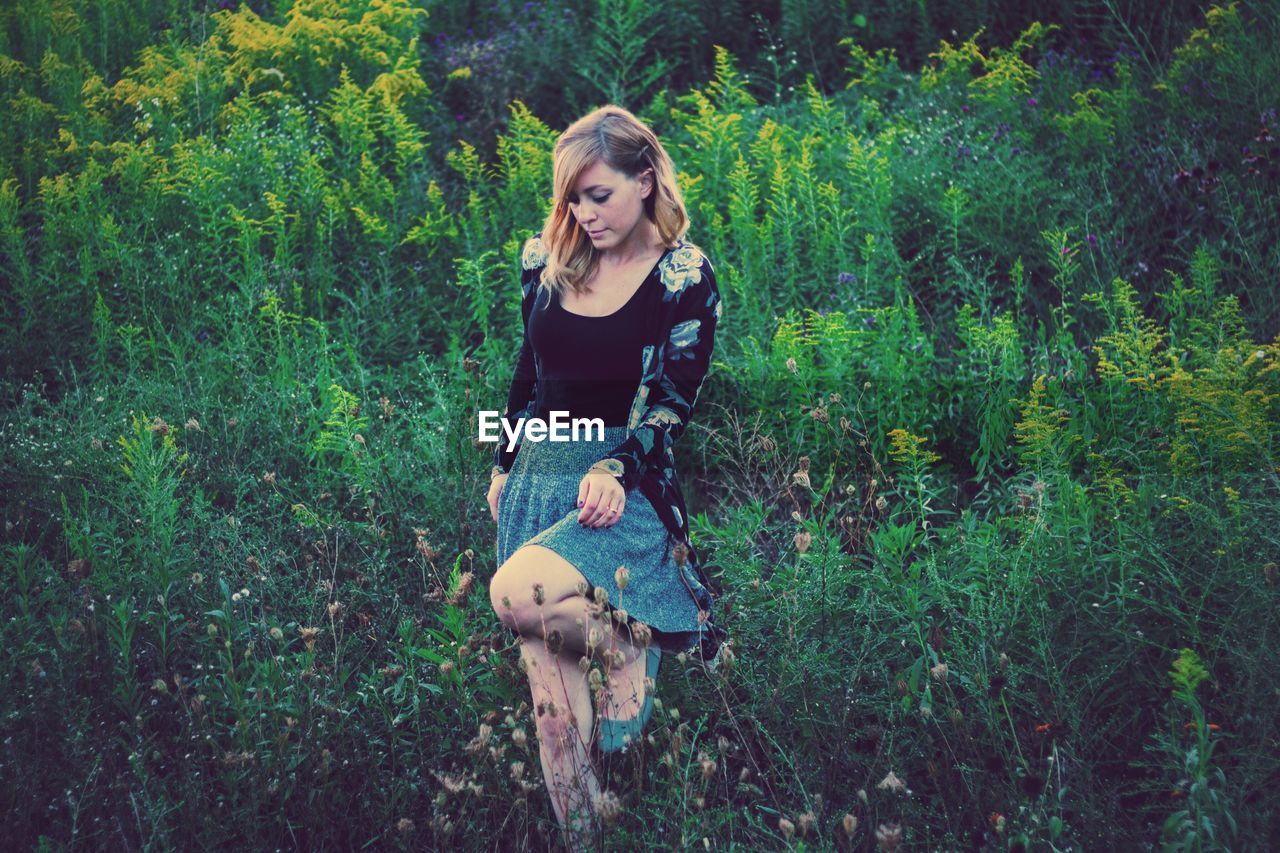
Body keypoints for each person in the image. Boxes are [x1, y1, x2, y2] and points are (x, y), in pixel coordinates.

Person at [484, 104, 724, 849]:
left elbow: (673, 401)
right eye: (572, 198)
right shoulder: (545, 259)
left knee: (516, 594)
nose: (584, 214)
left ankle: (622, 645)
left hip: (620, 485)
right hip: (538, 475)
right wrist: (503, 460)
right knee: (552, 715)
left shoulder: (683, 275)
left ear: (645, 180)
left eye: (600, 195)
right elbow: (530, 371)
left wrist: (618, 466)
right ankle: (586, 838)